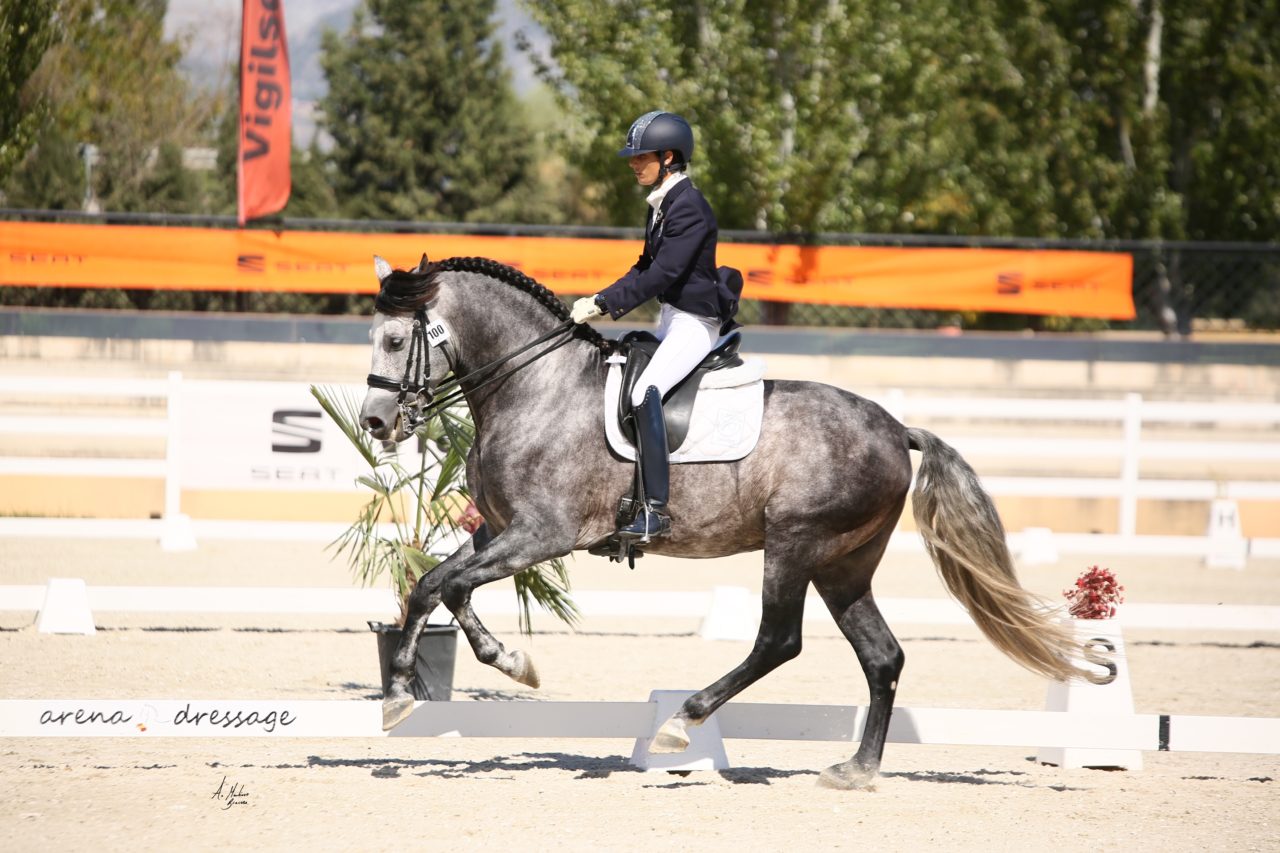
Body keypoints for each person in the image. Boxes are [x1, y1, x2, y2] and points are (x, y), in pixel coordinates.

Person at [570, 110, 740, 543]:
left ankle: (654, 510)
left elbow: (661, 275)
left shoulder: (690, 209)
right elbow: (642, 267)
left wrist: (606, 304)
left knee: (647, 392)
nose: (632, 163)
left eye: (640, 156)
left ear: (668, 157)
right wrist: (597, 297)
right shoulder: (663, 205)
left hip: (695, 324)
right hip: (673, 319)